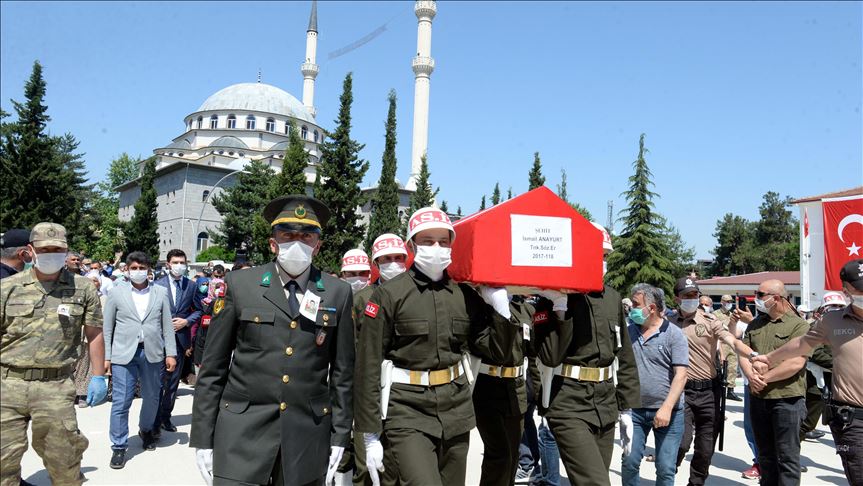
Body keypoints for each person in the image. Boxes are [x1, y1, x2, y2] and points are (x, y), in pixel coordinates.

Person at [191, 195, 354, 486]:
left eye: (306, 236)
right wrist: (202, 436)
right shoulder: (241, 285)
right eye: (288, 235)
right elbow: (213, 368)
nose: (297, 242)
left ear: (318, 245)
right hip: (242, 431)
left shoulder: (337, 292)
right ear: (273, 243)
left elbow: (342, 375)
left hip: (306, 435)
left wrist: (340, 434)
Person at [354, 207, 519, 486]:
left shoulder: (464, 295)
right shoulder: (389, 295)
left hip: (456, 409)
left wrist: (501, 310)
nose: (436, 248)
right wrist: (369, 435)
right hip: (407, 411)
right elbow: (368, 366)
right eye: (427, 241)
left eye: (443, 241)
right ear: (412, 246)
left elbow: (496, 352)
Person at [0, 222, 107, 486]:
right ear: (30, 250)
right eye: (44, 249)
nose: (51, 254)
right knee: (3, 463)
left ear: (66, 250)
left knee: (64, 461)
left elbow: (94, 333)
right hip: (7, 385)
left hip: (55, 386)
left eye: (57, 249)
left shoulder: (83, 288)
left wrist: (98, 376)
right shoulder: (7, 287)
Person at [534, 222, 641, 486]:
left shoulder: (612, 298)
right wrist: (560, 307)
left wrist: (626, 408)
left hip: (605, 403)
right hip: (568, 401)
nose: (601, 262)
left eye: (605, 256)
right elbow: (549, 356)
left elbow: (624, 355)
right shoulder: (552, 297)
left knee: (594, 479)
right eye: (595, 254)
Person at [753, 259, 863, 485]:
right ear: (846, 290)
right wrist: (770, 358)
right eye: (860, 288)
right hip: (853, 420)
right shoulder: (832, 321)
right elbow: (801, 344)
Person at [672, 278, 757, 486]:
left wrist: (753, 354)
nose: (692, 299)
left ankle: (696, 483)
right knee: (680, 443)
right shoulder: (668, 323)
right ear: (677, 299)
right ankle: (667, 475)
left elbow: (732, 340)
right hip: (681, 393)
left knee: (705, 448)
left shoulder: (710, 321)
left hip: (708, 392)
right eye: (687, 295)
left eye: (695, 295)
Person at [339, 233, 409, 486]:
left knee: (395, 463)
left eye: (398, 258)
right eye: (387, 259)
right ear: (376, 263)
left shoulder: (413, 294)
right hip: (369, 388)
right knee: (365, 463)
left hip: (402, 391)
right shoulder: (362, 299)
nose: (393, 264)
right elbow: (352, 348)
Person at [102, 251, 177, 468]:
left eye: (142, 268)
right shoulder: (117, 292)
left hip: (152, 352)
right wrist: (107, 356)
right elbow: (108, 327)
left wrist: (170, 353)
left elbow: (167, 325)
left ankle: (146, 430)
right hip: (124, 353)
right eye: (133, 268)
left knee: (152, 396)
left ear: (148, 269)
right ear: (126, 269)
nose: (138, 271)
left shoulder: (160, 292)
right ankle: (118, 445)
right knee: (121, 400)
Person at [738, 279, 808, 486]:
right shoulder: (755, 324)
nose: (756, 298)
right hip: (759, 398)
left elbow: (796, 362)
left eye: (760, 295)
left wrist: (764, 378)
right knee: (765, 456)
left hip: (787, 400)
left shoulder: (799, 325)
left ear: (776, 298)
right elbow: (743, 352)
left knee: (787, 458)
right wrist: (751, 376)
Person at [621, 283, 688, 486]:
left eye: (635, 304)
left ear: (651, 308)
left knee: (665, 468)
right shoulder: (628, 333)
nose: (631, 308)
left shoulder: (674, 334)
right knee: (630, 462)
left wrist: (666, 408)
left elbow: (681, 375)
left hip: (669, 413)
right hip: (634, 411)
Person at [153, 248, 201, 434]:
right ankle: (153, 419)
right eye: (175, 262)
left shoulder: (191, 286)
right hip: (159, 340)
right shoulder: (157, 285)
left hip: (180, 341)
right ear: (168, 264)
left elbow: (199, 310)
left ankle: (166, 417)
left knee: (172, 383)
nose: (179, 266)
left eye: (182, 263)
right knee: (157, 382)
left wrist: (186, 321)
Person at [714, 294, 742, 401]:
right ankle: (719, 390)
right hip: (721, 343)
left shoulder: (732, 315)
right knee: (719, 367)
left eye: (730, 301)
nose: (729, 303)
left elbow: (737, 330)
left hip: (731, 343)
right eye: (727, 301)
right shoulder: (715, 314)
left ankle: (730, 390)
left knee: (732, 368)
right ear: (722, 302)